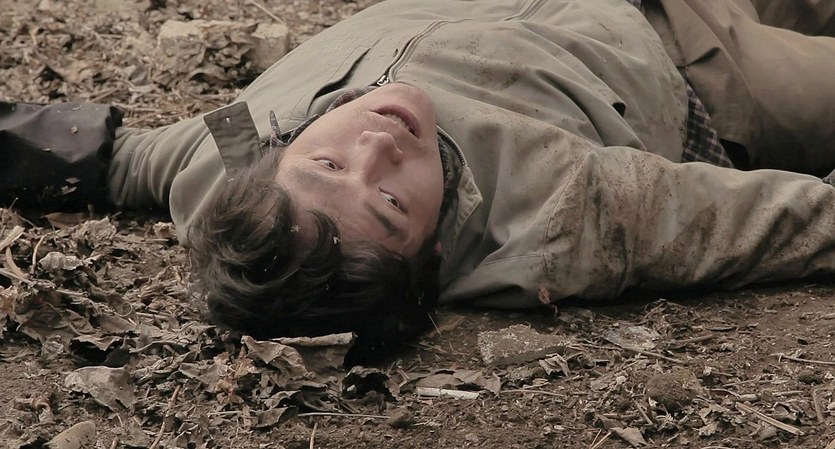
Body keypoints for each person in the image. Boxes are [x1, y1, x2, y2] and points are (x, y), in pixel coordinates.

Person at [3, 0, 835, 362]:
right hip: (696, 56)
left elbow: (109, 158)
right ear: (431, 249)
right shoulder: (564, 218)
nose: (375, 144)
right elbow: (790, 219)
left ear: (273, 160)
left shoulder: (227, 161)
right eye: (391, 201)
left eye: (326, 164)